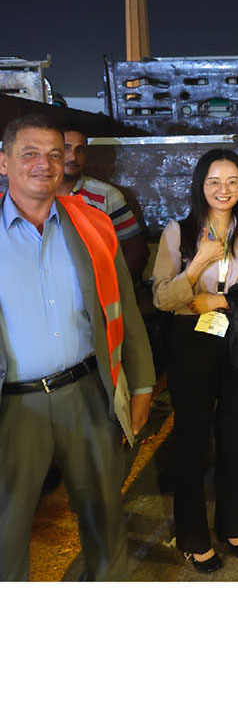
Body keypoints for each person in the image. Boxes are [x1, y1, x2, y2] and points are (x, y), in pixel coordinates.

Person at [0, 114, 155, 581]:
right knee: (7, 531)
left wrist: (142, 384)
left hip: (87, 393)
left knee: (105, 518)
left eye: (55, 153)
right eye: (30, 153)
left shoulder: (92, 224)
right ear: (4, 162)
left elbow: (123, 307)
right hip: (13, 406)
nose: (45, 164)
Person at [152, 149, 238, 572]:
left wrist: (219, 300)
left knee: (232, 434)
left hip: (236, 339)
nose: (224, 190)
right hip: (190, 343)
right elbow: (162, 298)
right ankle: (192, 536)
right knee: (191, 438)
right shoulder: (178, 232)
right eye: (215, 182)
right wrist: (198, 265)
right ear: (200, 185)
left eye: (233, 182)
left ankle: (232, 524)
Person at [58, 127, 148, 282]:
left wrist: (108, 285)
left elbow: (136, 251)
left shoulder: (107, 195)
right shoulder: (36, 194)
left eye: (80, 150)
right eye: (66, 148)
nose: (73, 157)